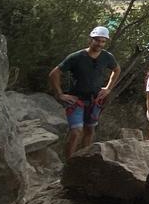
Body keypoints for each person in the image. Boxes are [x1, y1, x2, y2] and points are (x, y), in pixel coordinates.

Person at [48, 26, 121, 158]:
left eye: (103, 41)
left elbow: (117, 69)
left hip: (94, 100)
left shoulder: (107, 57)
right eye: (97, 40)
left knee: (90, 129)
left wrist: (108, 88)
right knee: (76, 131)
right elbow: (54, 73)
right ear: (90, 40)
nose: (99, 44)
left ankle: (83, 161)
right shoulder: (76, 57)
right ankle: (69, 164)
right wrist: (60, 94)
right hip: (76, 100)